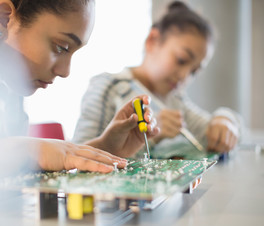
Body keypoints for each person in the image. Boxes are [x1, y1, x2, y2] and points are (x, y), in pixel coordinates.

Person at [0, 0, 159, 176]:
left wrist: (105, 149)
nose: (65, 72)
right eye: (60, 47)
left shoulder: (7, 86)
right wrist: (26, 149)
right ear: (3, 20)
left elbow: (7, 164)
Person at [72, 1, 243, 156]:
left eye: (194, 71)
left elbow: (212, 130)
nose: (184, 76)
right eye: (181, 60)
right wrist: (150, 137)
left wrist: (225, 120)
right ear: (153, 40)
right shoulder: (109, 88)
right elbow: (76, 158)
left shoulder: (175, 100)